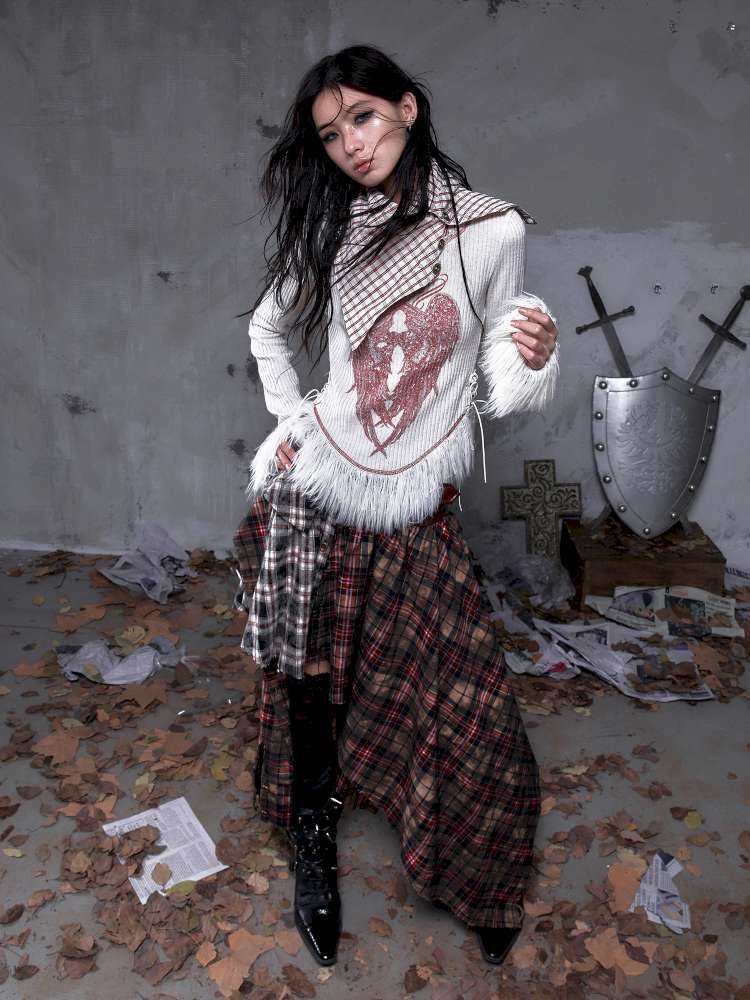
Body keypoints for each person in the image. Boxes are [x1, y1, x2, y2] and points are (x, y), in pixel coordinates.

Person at [233, 43, 559, 969]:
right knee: (308, 682)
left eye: (364, 118)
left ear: (408, 109)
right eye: (331, 135)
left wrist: (531, 357)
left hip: (417, 496)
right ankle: (312, 839)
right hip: (318, 488)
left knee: (463, 699)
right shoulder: (338, 230)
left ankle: (479, 872)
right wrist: (295, 421)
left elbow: (499, 370)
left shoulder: (491, 231)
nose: (351, 145)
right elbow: (267, 327)